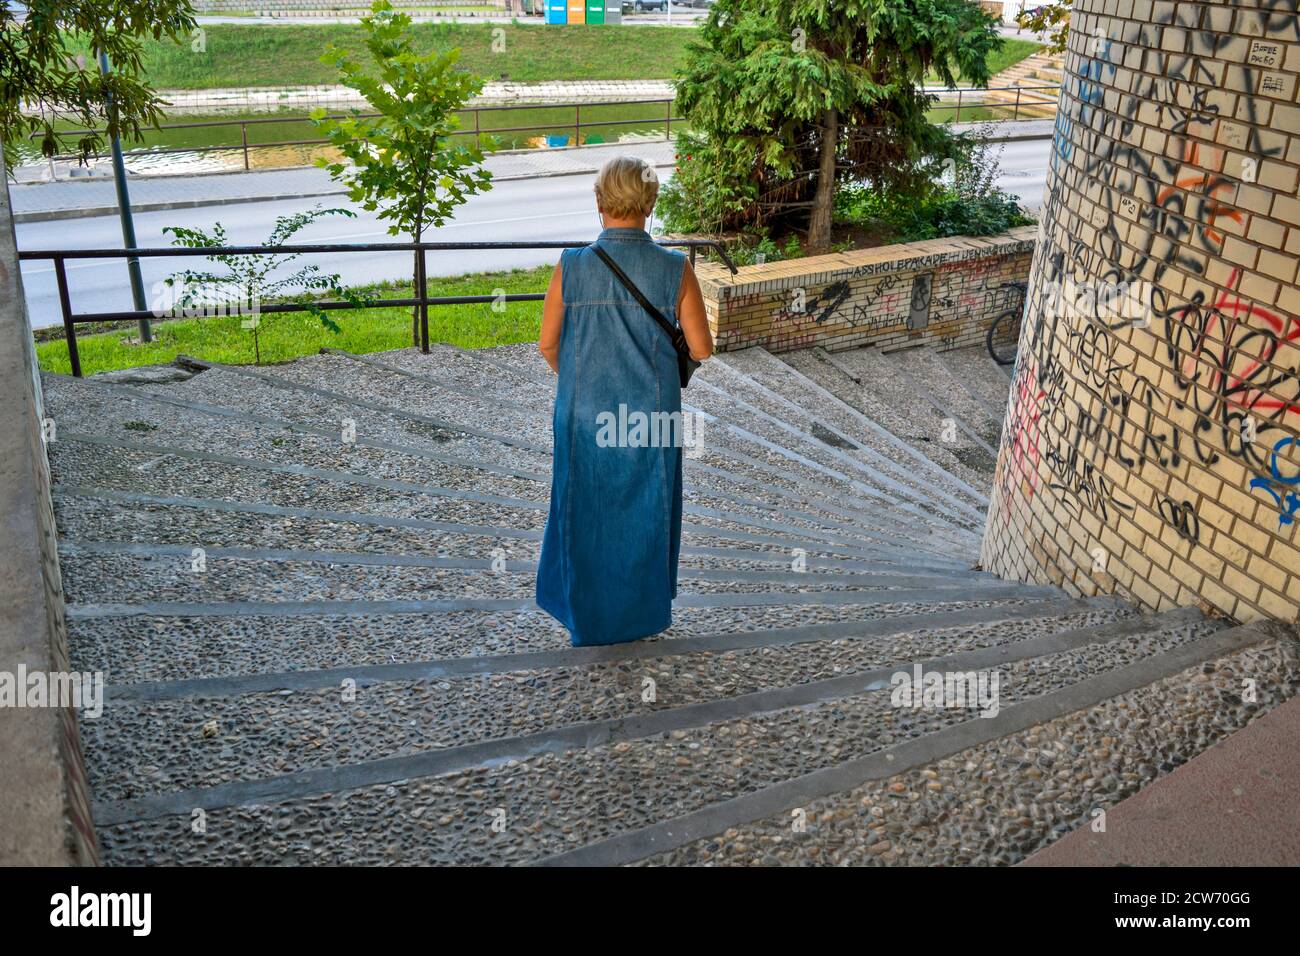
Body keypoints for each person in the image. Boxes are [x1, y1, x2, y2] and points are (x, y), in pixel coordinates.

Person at [535, 156, 714, 646]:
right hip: (650, 418)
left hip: (583, 417)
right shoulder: (675, 268)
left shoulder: (570, 267)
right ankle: (637, 616)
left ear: (599, 202)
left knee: (582, 511)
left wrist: (581, 382)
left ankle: (585, 616)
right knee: (644, 514)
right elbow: (700, 348)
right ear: (651, 203)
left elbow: (548, 345)